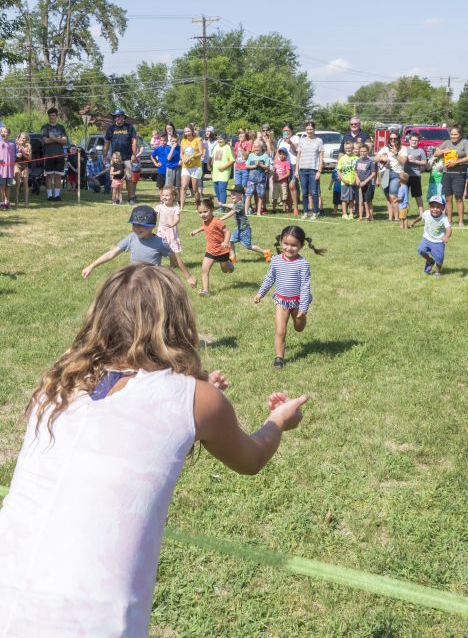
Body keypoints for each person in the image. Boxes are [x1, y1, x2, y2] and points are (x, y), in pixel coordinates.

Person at [0, 263, 308, 637]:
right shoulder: (194, 398)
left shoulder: (57, 387)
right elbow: (251, 457)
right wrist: (278, 420)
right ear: (177, 322)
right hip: (91, 621)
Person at [254, 225, 325, 368]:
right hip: (281, 301)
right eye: (286, 244)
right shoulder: (275, 260)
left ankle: (301, 319)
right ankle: (279, 358)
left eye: (294, 245)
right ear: (280, 241)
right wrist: (260, 293)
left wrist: (303, 310)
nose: (289, 248)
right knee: (280, 331)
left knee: (299, 328)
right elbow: (270, 278)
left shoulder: (303, 264)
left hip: (298, 302)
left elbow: (305, 287)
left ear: (301, 246)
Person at [82, 205, 175, 278]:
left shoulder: (160, 242)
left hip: (152, 281)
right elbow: (111, 254)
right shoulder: (131, 238)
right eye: (135, 225)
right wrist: (91, 266)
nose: (138, 229)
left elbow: (174, 257)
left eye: (142, 225)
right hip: (134, 279)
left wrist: (188, 276)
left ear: (152, 226)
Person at [190, 197, 234, 295]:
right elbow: (206, 226)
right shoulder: (205, 221)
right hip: (210, 250)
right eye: (200, 213)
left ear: (212, 209)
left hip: (222, 250)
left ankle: (229, 264)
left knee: (224, 269)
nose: (203, 214)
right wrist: (197, 230)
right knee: (204, 270)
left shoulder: (217, 221)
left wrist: (226, 242)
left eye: (205, 211)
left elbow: (227, 231)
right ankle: (206, 291)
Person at [155, 184, 196, 287]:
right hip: (161, 230)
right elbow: (153, 215)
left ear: (173, 197)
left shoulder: (175, 207)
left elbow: (177, 218)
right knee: (160, 246)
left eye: (167, 195)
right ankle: (157, 263)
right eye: (163, 195)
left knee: (171, 247)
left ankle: (172, 263)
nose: (164, 197)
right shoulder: (159, 207)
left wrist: (173, 224)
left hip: (171, 230)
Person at [217, 184, 271, 262]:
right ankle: (232, 257)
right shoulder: (237, 203)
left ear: (241, 195)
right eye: (231, 194)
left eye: (234, 194)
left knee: (248, 246)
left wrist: (221, 219)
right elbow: (232, 205)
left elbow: (232, 212)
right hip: (238, 228)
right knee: (230, 241)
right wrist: (223, 204)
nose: (232, 195)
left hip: (244, 229)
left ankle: (265, 252)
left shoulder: (241, 204)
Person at [434, 125, 468, 227]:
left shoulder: (465, 142)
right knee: (448, 198)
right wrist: (443, 151)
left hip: (459, 173)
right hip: (447, 173)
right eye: (452, 134)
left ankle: (461, 221)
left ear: (460, 134)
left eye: (456, 134)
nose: (454, 136)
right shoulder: (446, 143)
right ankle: (449, 221)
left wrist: (457, 162)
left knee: (459, 198)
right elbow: (436, 153)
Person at [410, 195, 452, 277]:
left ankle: (438, 271)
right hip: (427, 238)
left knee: (439, 259)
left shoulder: (444, 218)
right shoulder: (426, 213)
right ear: (429, 207)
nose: (435, 209)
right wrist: (413, 222)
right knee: (421, 250)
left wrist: (446, 236)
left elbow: (449, 229)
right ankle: (430, 260)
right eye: (432, 206)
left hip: (439, 241)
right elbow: (420, 217)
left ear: (443, 208)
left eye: (438, 207)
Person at [103, 109, 138, 205]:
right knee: (115, 178)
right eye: (115, 116)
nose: (117, 118)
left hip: (127, 157)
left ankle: (131, 198)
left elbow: (134, 141)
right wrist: (105, 156)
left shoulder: (129, 127)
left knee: (129, 178)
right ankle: (116, 199)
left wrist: (134, 155)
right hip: (115, 159)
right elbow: (106, 142)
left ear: (123, 117)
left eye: (119, 116)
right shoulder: (111, 128)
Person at [296, 121, 324, 221]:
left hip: (314, 170)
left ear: (314, 129)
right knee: (304, 193)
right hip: (302, 170)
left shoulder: (319, 141)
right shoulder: (302, 140)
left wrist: (319, 171)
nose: (309, 131)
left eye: (311, 129)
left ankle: (315, 212)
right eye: (307, 129)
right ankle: (305, 212)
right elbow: (298, 156)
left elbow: (321, 157)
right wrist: (296, 170)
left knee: (314, 192)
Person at [375, 130, 405, 221]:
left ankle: (397, 218)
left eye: (395, 138)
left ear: (398, 139)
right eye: (391, 138)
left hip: (396, 173)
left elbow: (403, 161)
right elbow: (375, 158)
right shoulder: (385, 148)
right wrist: (382, 158)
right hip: (385, 173)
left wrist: (395, 153)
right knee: (388, 197)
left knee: (393, 196)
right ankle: (390, 217)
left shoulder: (403, 149)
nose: (392, 140)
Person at [41, 107, 68, 202]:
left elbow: (65, 141)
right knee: (48, 176)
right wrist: (58, 139)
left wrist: (53, 138)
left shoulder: (61, 127)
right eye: (50, 115)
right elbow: (45, 140)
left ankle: (57, 196)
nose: (51, 117)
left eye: (53, 115)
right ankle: (49, 196)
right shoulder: (45, 127)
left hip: (60, 154)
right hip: (48, 154)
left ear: (56, 116)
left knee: (58, 176)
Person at [276, 123, 300, 216]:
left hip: (293, 164)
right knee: (286, 186)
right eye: (284, 131)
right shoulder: (280, 140)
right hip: (283, 166)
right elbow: (278, 153)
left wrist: (290, 142)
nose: (286, 132)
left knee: (292, 186)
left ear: (291, 131)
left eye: (287, 131)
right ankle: (289, 207)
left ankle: (296, 208)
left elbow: (297, 151)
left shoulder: (295, 138)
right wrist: (276, 165)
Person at [180, 124, 203, 209]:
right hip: (185, 166)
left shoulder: (198, 140)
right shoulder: (183, 141)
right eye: (185, 131)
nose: (187, 133)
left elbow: (201, 153)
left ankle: (198, 205)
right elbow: (181, 153)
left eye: (188, 131)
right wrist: (183, 159)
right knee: (184, 186)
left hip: (196, 166)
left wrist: (191, 157)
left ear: (192, 131)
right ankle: (181, 206)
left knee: (195, 188)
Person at [403, 132, 427, 215]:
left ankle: (421, 214)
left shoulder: (421, 150)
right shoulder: (405, 149)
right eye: (412, 140)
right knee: (404, 194)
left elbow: (425, 163)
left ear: (419, 141)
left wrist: (415, 161)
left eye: (416, 140)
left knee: (417, 195)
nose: (414, 142)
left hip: (416, 175)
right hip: (405, 175)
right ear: (409, 140)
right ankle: (403, 213)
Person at [245, 139, 270, 217]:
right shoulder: (251, 155)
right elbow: (246, 165)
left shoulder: (265, 156)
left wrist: (260, 165)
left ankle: (259, 212)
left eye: (258, 147)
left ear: (262, 147)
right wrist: (254, 166)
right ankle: (245, 212)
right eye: (255, 147)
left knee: (260, 196)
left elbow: (268, 167)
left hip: (261, 180)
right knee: (248, 195)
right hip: (251, 180)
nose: (256, 149)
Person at [210, 132, 235, 208]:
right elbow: (213, 158)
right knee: (217, 190)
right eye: (218, 139)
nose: (219, 140)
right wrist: (211, 165)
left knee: (222, 189)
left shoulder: (227, 147)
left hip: (224, 172)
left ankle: (222, 207)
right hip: (215, 173)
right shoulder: (216, 147)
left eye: (221, 139)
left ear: (225, 140)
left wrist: (223, 167)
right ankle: (220, 205)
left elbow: (232, 160)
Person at [336, 139, 357, 220]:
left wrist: (355, 180)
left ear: (352, 148)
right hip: (344, 183)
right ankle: (344, 214)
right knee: (344, 199)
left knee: (351, 199)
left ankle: (351, 213)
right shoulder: (342, 158)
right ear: (344, 149)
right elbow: (338, 170)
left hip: (353, 183)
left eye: (350, 148)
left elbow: (358, 171)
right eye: (346, 148)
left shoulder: (356, 158)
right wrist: (343, 180)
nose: (348, 150)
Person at [355, 143, 375, 221]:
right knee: (361, 201)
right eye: (361, 151)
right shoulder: (358, 161)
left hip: (368, 184)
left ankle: (370, 216)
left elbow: (373, 173)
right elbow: (356, 171)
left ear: (367, 152)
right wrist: (357, 179)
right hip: (359, 183)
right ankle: (360, 217)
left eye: (364, 151)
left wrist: (365, 181)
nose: (362, 153)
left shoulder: (370, 162)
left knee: (368, 200)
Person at [14, 132, 32, 207]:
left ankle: (26, 202)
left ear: (27, 139)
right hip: (17, 165)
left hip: (25, 166)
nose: (23, 139)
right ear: (19, 138)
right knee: (17, 184)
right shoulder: (15, 145)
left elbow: (30, 159)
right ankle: (17, 202)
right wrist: (16, 155)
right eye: (21, 137)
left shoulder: (28, 146)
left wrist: (24, 154)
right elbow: (12, 156)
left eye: (24, 138)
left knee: (25, 184)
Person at [0, 126, 15, 210]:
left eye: (5, 132)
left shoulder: (12, 144)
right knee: (1, 186)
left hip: (10, 169)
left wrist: (18, 155)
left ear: (9, 134)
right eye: (2, 132)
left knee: (8, 186)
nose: (3, 133)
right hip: (1, 170)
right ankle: (1, 203)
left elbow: (15, 155)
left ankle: (7, 202)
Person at [272, 147, 291, 212]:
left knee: (284, 196)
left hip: (283, 182)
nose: (282, 156)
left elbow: (288, 173)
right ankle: (274, 209)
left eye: (284, 154)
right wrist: (274, 177)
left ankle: (284, 209)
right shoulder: (276, 162)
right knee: (275, 196)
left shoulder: (287, 163)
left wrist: (281, 178)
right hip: (275, 182)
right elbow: (274, 171)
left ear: (286, 155)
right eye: (280, 154)